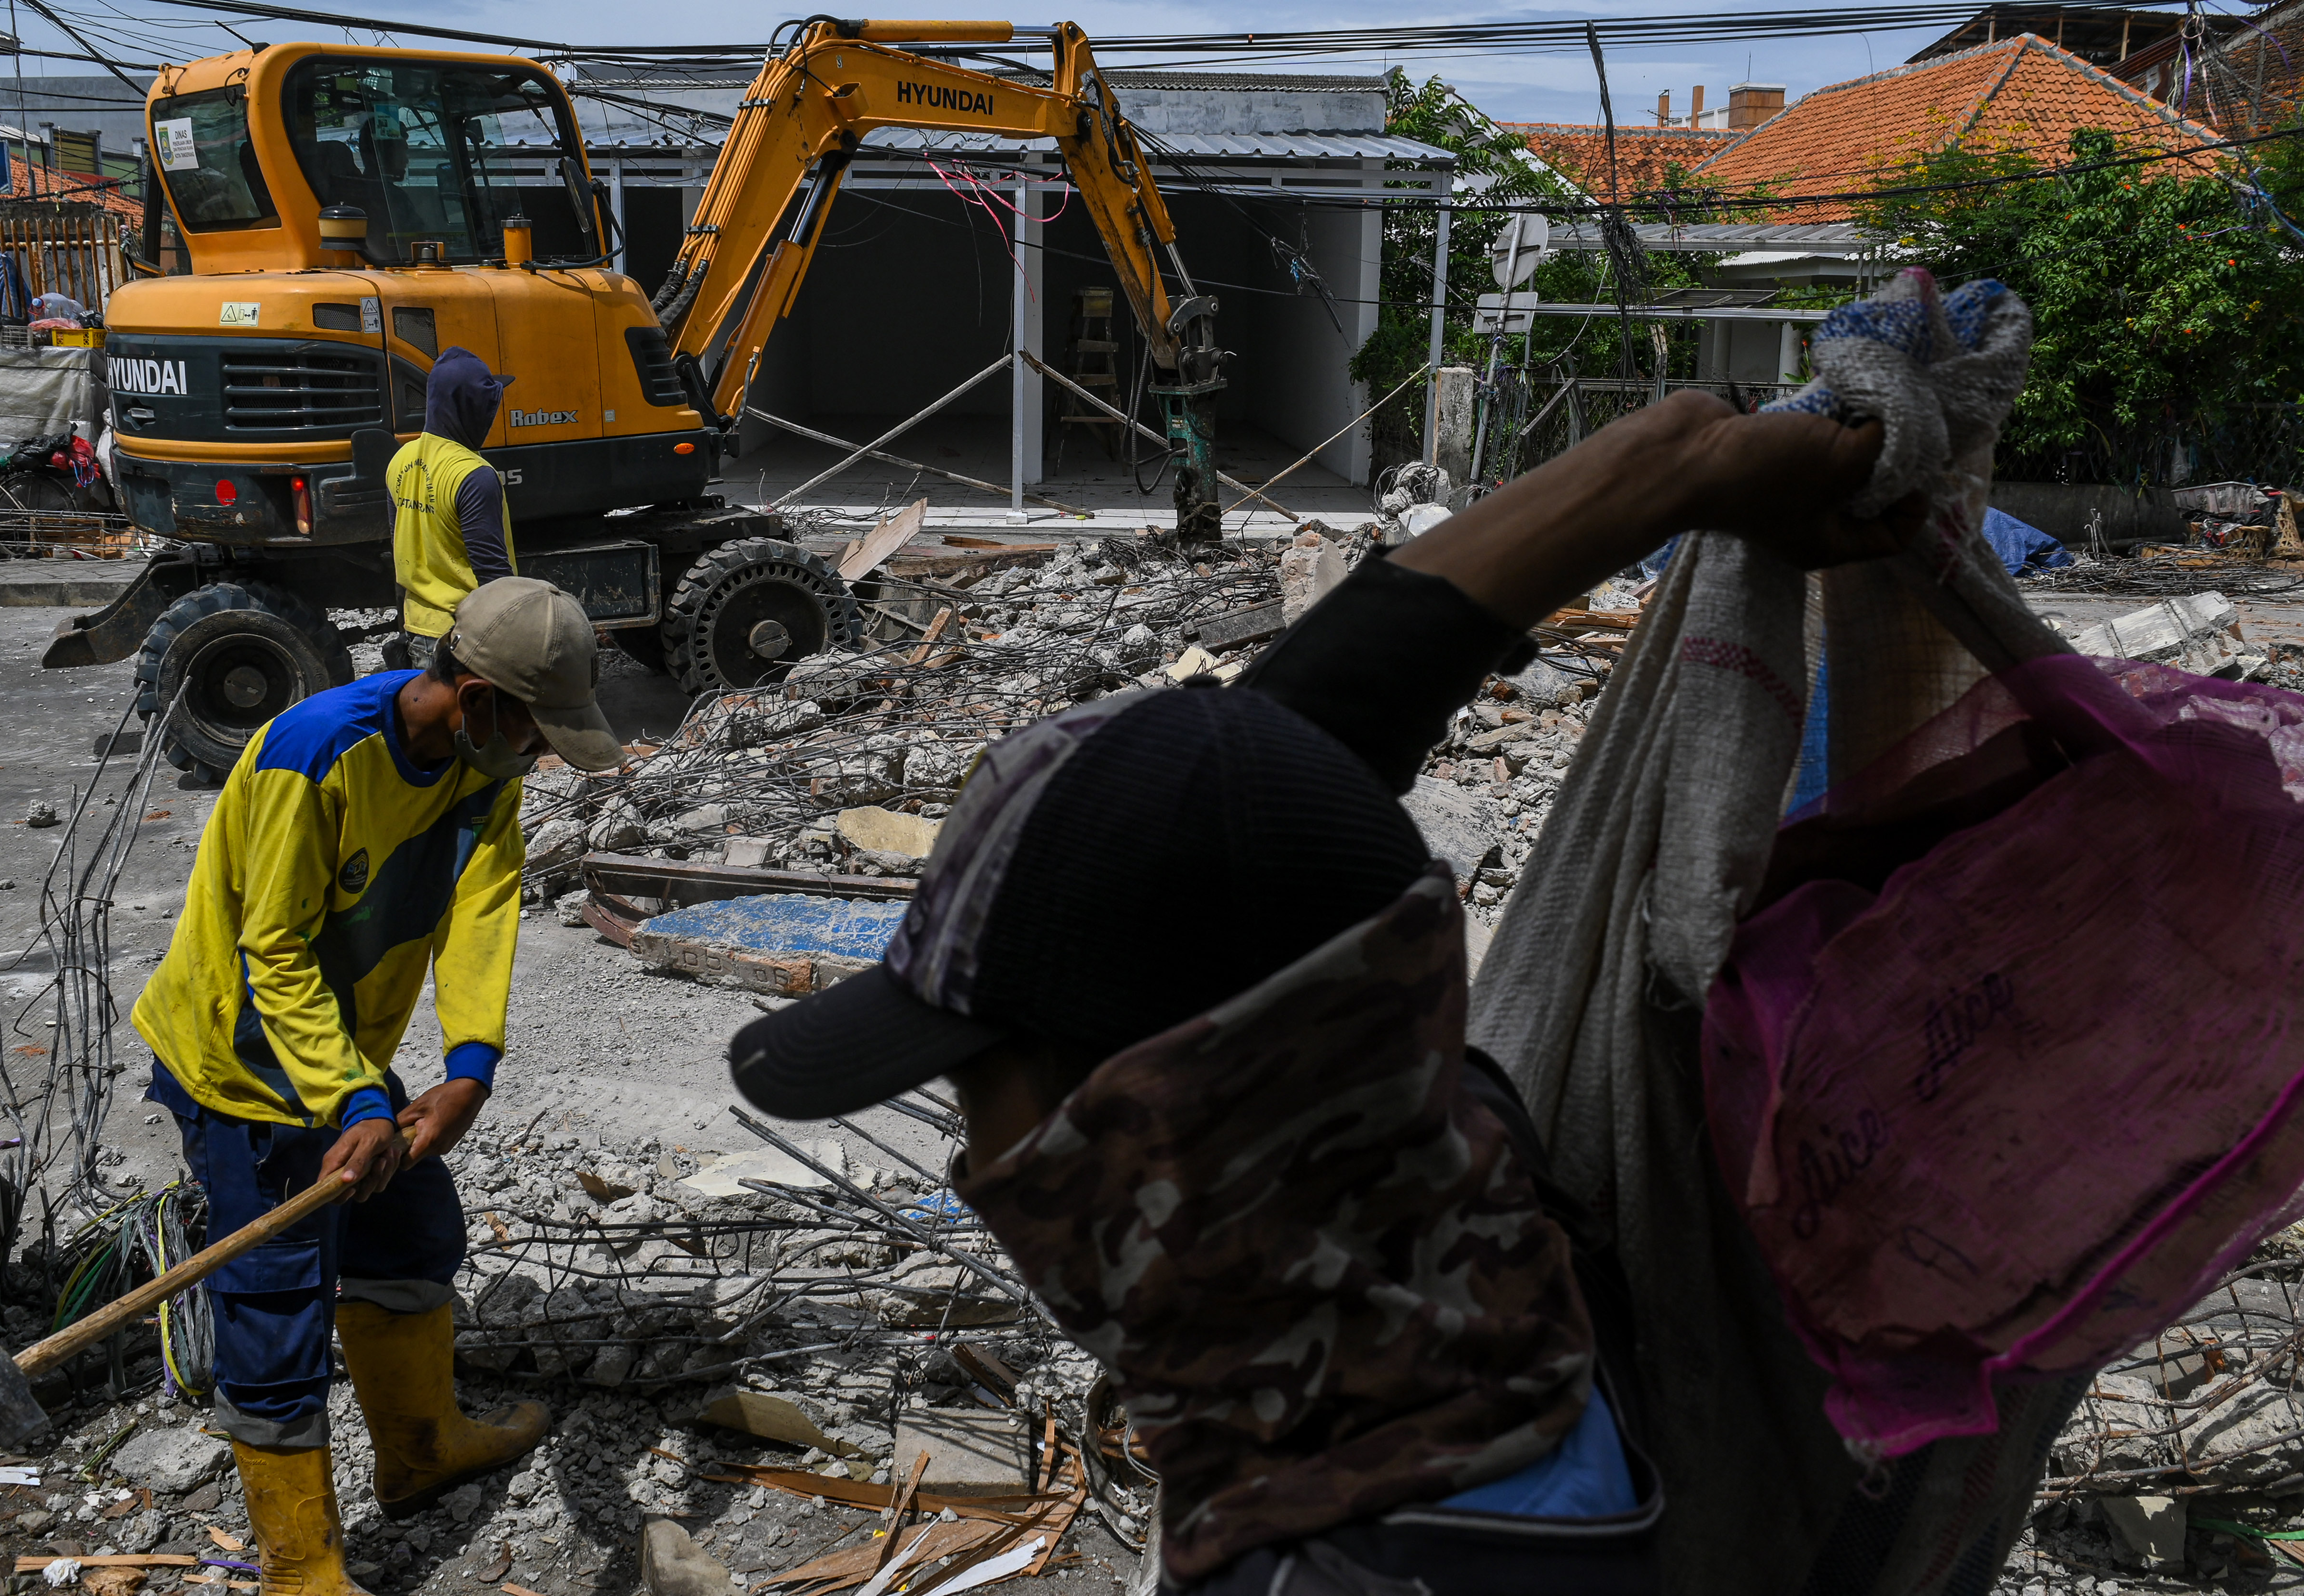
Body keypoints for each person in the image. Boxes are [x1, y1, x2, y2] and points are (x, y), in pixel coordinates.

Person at [719, 393, 1924, 1596]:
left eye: (974, 1086)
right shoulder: (1434, 1162)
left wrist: (1676, 468)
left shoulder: (1345, 1568)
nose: (975, 1173)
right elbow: (1285, 770)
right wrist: (1676, 462)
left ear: (1160, 1120)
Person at [133, 577, 624, 1596]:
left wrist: (469, 1066)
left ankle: (419, 1451)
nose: (539, 750)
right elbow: (273, 949)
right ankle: (300, 1568)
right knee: (273, 1300)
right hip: (248, 1055)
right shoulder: (318, 755)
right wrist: (355, 1102)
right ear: (476, 692)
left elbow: (485, 898)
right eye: (535, 726)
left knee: (410, 1233)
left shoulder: (486, 759)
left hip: (343, 1051)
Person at [389, 346, 516, 668]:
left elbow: (400, 551)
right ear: (471, 408)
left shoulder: (400, 460)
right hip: (467, 642)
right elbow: (493, 576)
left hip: (419, 632)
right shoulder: (474, 475)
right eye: (488, 407)